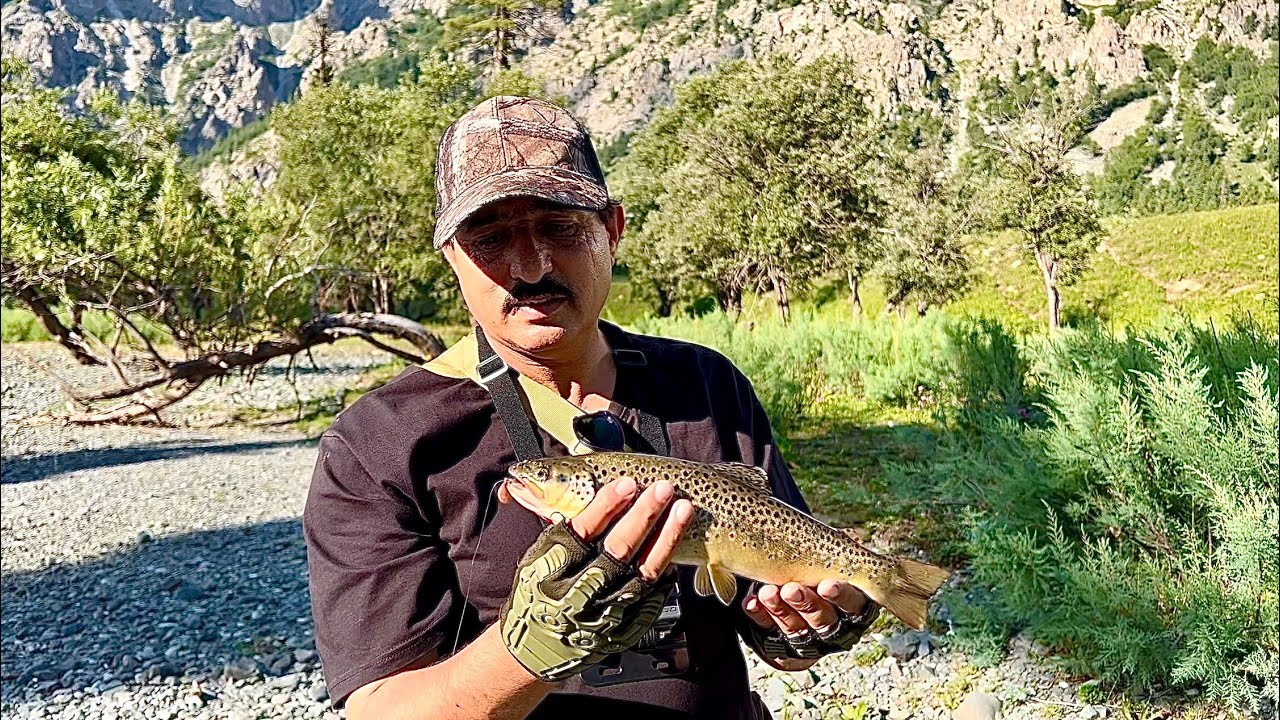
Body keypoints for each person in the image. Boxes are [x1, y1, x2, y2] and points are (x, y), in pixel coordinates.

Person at [302, 95, 880, 720]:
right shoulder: (380, 444)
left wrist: (809, 625)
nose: (531, 265)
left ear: (612, 229)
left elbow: (779, 624)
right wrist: (525, 653)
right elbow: (378, 709)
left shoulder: (704, 385)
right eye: (490, 239)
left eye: (558, 226)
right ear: (451, 257)